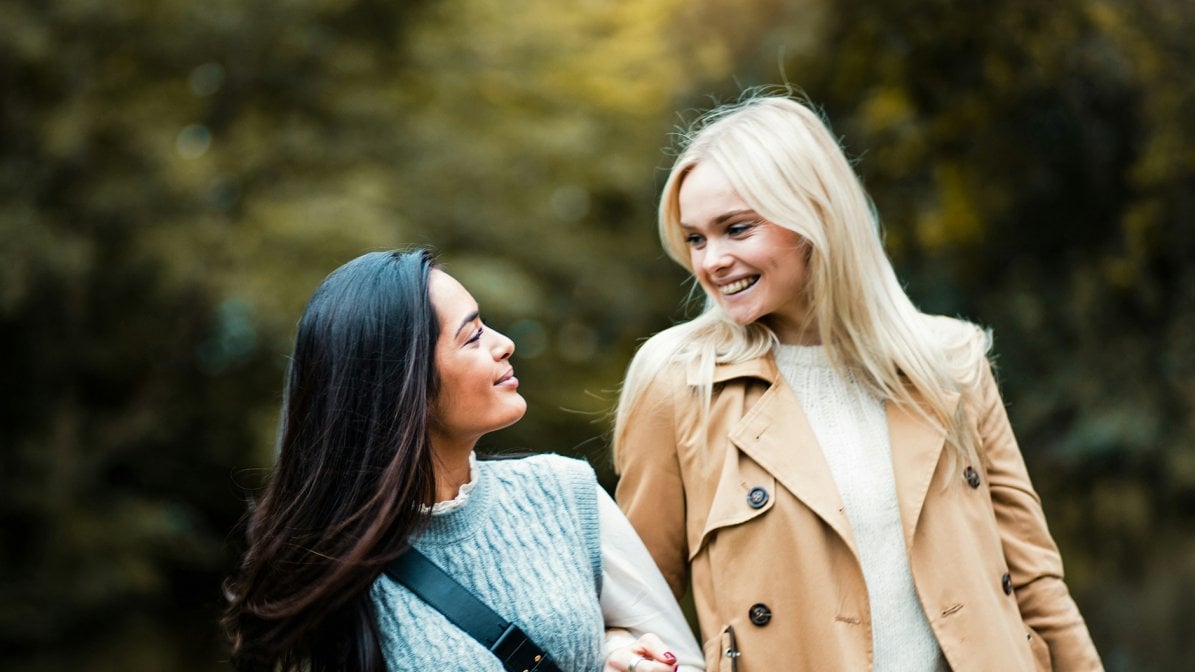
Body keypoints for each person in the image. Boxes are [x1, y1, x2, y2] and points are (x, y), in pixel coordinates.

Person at [612, 93, 1103, 671]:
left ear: (813, 216)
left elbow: (1035, 580)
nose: (711, 261)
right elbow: (636, 603)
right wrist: (621, 647)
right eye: (696, 238)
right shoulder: (677, 382)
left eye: (736, 229)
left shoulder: (950, 362)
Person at [223, 249, 703, 672]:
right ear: (403, 384)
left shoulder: (564, 491)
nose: (504, 343)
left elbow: (685, 658)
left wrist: (619, 654)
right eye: (472, 338)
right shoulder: (321, 572)